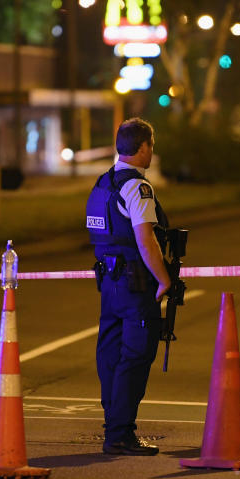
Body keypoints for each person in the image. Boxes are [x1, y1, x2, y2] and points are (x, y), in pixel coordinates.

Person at [86, 118, 171, 456]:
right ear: (144, 147)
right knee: (136, 355)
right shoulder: (136, 187)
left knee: (110, 351)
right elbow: (145, 239)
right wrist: (165, 278)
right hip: (135, 284)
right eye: (151, 145)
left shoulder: (102, 184)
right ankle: (120, 433)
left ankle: (114, 422)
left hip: (109, 282)